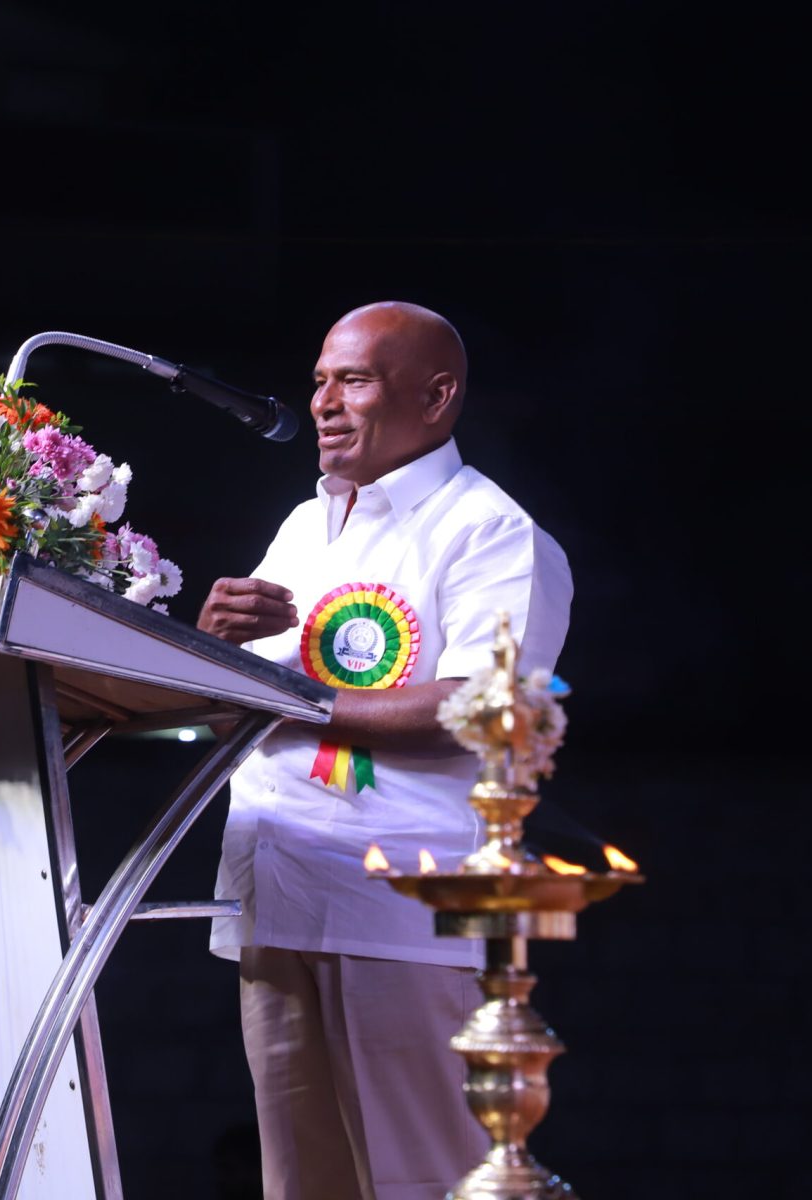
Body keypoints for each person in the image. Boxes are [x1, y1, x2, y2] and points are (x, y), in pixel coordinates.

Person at [197, 301, 572, 1200]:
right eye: (320, 381)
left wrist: (290, 702)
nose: (324, 403)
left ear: (437, 397)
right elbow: (229, 717)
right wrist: (207, 647)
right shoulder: (304, 526)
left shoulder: (490, 532)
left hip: (397, 913)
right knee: (301, 1187)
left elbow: (481, 707)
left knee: (426, 1185)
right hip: (274, 896)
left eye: (354, 381)